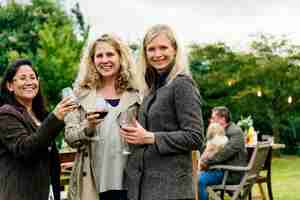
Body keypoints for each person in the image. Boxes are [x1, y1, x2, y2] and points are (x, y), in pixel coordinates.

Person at [120, 24, 205, 200]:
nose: (157, 54)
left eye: (163, 47)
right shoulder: (153, 86)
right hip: (145, 186)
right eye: (151, 49)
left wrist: (151, 137)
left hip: (170, 188)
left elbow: (195, 137)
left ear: (174, 50)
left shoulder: (182, 84)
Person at [64, 33, 141, 200]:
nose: (104, 60)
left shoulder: (137, 94)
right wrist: (88, 127)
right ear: (92, 61)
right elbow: (70, 137)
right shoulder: (79, 95)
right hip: (92, 182)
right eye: (99, 55)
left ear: (121, 58)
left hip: (129, 179)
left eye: (110, 54)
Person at [0, 59, 76, 200]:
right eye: (22, 78)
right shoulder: (5, 114)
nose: (29, 82)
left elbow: (42, 150)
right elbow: (25, 149)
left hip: (46, 192)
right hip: (20, 194)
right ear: (10, 85)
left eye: (33, 77)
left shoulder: (41, 115)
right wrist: (55, 117)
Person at [198, 106, 248, 200]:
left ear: (222, 119)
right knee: (191, 177)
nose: (211, 120)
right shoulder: (217, 131)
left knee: (199, 180)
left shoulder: (235, 132)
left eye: (213, 118)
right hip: (221, 170)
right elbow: (203, 148)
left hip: (231, 173)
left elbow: (223, 155)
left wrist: (204, 162)